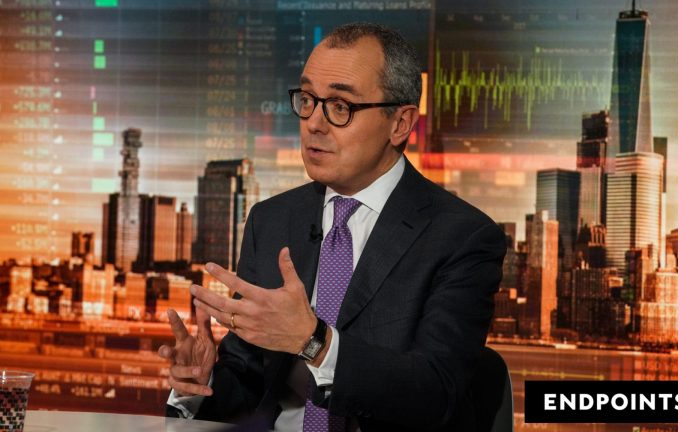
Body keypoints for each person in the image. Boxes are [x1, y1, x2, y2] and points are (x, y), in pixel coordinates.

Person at [159, 22, 506, 432]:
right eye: (308, 100)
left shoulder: (461, 237)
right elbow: (248, 381)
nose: (314, 123)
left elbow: (436, 393)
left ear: (400, 123)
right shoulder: (271, 221)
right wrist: (201, 384)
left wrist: (314, 342)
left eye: (340, 106)